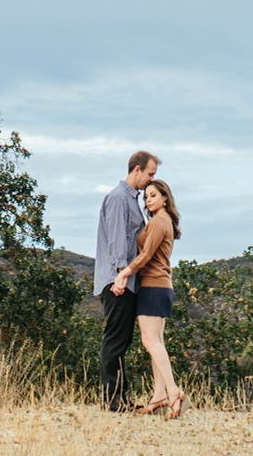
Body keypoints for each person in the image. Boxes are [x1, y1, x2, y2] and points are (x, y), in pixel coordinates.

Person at [112, 177, 184, 418]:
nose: (148, 199)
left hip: (153, 286)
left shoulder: (159, 223)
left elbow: (145, 256)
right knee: (157, 343)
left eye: (153, 195)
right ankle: (158, 396)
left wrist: (124, 272)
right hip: (161, 286)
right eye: (146, 196)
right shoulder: (164, 221)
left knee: (149, 341)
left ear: (165, 198)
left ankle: (174, 393)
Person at [94, 150, 158, 411]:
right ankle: (112, 400)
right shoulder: (119, 198)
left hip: (126, 280)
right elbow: (118, 245)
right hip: (118, 281)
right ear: (137, 170)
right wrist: (122, 275)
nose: (151, 180)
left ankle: (120, 397)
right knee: (115, 340)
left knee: (122, 341)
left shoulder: (130, 200)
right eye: (150, 174)